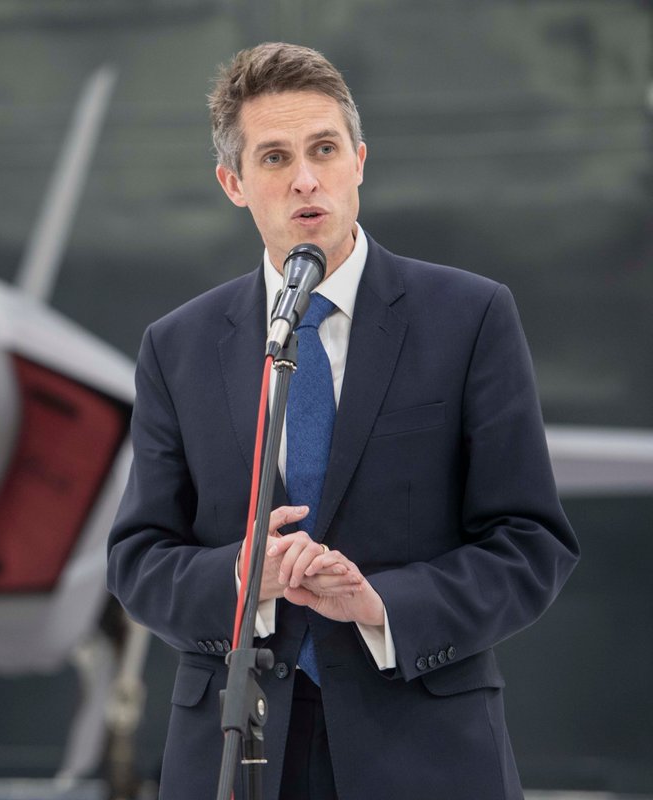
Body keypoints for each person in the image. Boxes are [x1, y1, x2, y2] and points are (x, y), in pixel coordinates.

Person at [106, 42, 579, 800]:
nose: (305, 178)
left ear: (358, 161)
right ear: (233, 183)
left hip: (424, 749)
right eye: (274, 157)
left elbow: (530, 544)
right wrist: (243, 580)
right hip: (237, 749)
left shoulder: (470, 318)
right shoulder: (178, 346)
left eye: (324, 149)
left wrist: (383, 605)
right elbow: (139, 561)